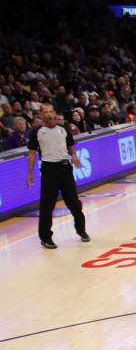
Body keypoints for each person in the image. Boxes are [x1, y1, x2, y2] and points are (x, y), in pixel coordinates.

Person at [26, 104, 87, 249]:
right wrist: (29, 173)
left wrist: (74, 156)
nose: (49, 114)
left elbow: (70, 146)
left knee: (74, 203)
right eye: (46, 112)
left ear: (54, 113)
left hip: (65, 169)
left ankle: (81, 230)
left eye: (51, 111)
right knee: (47, 206)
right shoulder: (37, 132)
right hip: (49, 170)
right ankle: (45, 238)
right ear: (41, 115)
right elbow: (32, 153)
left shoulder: (63, 129)